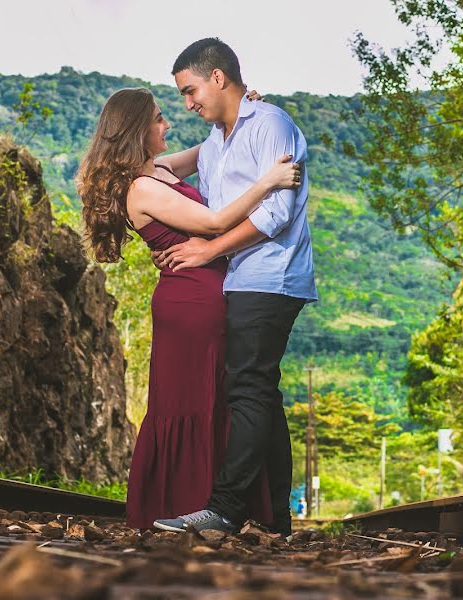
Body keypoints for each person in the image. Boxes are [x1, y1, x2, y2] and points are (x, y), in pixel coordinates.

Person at [76, 86, 301, 529]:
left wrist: (239, 110)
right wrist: (268, 183)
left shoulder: (157, 169)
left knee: (219, 398)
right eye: (159, 118)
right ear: (137, 129)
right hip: (191, 300)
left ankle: (219, 506)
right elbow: (216, 222)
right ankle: (189, 504)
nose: (168, 124)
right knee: (195, 401)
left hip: (205, 291)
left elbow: (209, 149)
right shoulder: (140, 189)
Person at [152, 38, 317, 537]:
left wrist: (208, 251)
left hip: (270, 276)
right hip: (239, 278)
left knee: (245, 389)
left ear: (218, 77)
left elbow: (276, 213)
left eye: (190, 90)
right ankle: (276, 517)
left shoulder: (271, 125)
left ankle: (224, 510)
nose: (188, 104)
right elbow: (158, 172)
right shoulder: (216, 142)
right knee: (259, 392)